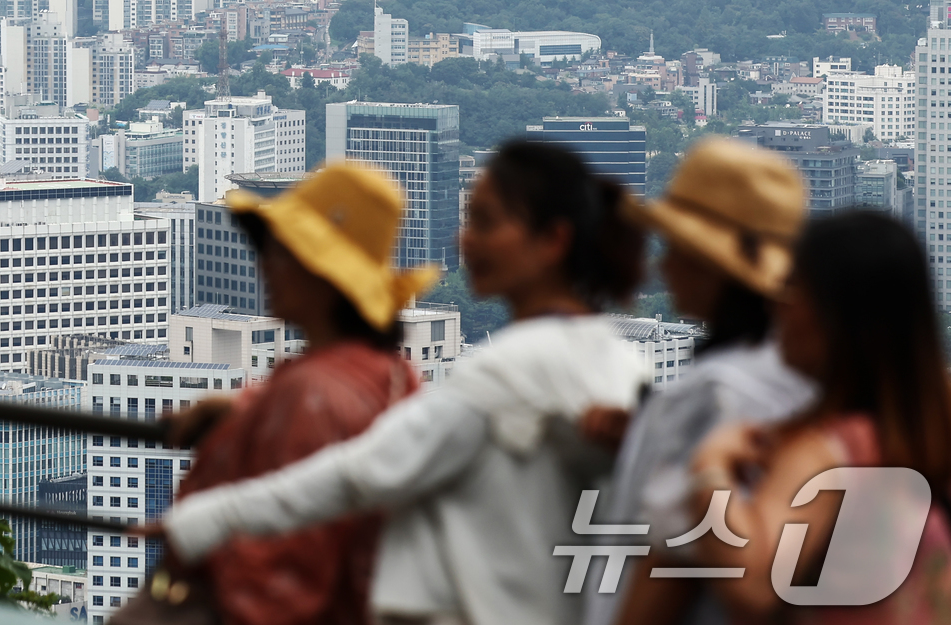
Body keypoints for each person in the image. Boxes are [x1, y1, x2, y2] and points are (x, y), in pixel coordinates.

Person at [155, 140, 650, 625]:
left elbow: (365, 470)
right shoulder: (625, 361)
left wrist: (206, 521)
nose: (464, 239)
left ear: (553, 241)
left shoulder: (505, 371)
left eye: (485, 221)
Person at [116, 162, 436, 625]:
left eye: (284, 254)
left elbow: (281, 586)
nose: (265, 265)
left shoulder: (312, 396)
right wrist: (246, 406)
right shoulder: (392, 374)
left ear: (327, 279)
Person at [689, 211, 951, 622]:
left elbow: (753, 585)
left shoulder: (827, 455)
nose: (778, 306)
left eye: (794, 289)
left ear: (836, 314)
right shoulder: (924, 437)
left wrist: (710, 468)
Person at [597, 138, 817, 625]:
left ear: (713, 264)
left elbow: (674, 559)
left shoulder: (710, 395)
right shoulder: (802, 386)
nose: (664, 265)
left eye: (678, 247)